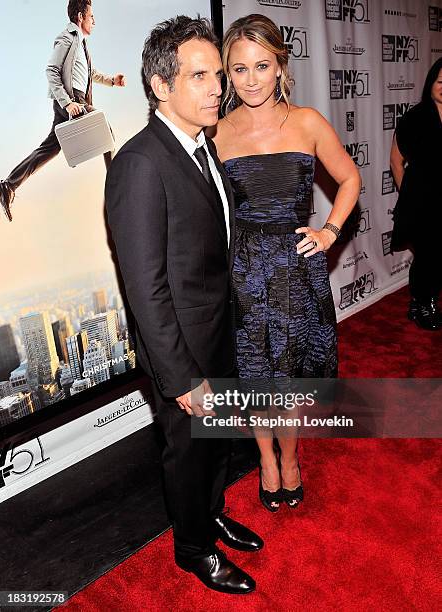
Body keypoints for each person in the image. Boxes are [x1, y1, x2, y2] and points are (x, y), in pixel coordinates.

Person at [104, 16, 262, 595]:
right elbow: (144, 286)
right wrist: (181, 377)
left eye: (217, 75)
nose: (217, 87)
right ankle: (193, 550)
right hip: (181, 352)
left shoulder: (202, 149)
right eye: (200, 77)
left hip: (217, 331)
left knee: (217, 445)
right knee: (189, 453)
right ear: (159, 86)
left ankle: (210, 514)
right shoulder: (141, 164)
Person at [210, 14, 360, 512]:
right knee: (254, 374)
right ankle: (265, 460)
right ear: (227, 75)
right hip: (246, 269)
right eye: (238, 69)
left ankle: (290, 456)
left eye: (261, 65)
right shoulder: (216, 133)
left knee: (290, 374)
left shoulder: (308, 121)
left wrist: (330, 231)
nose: (251, 79)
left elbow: (350, 179)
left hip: (296, 268)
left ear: (280, 66)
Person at [0, 0, 126, 222]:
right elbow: (51, 71)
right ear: (80, 17)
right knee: (104, 131)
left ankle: (9, 185)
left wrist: (111, 81)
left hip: (74, 101)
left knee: (50, 148)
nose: (94, 21)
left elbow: (89, 72)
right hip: (71, 101)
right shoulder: (67, 38)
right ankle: (119, 190)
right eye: (91, 16)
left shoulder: (81, 43)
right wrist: (67, 103)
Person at [390, 57, 442, 330]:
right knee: (428, 255)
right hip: (421, 202)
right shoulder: (415, 117)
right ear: (431, 83)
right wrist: (408, 195)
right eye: (441, 81)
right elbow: (395, 161)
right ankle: (422, 303)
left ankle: (421, 303)